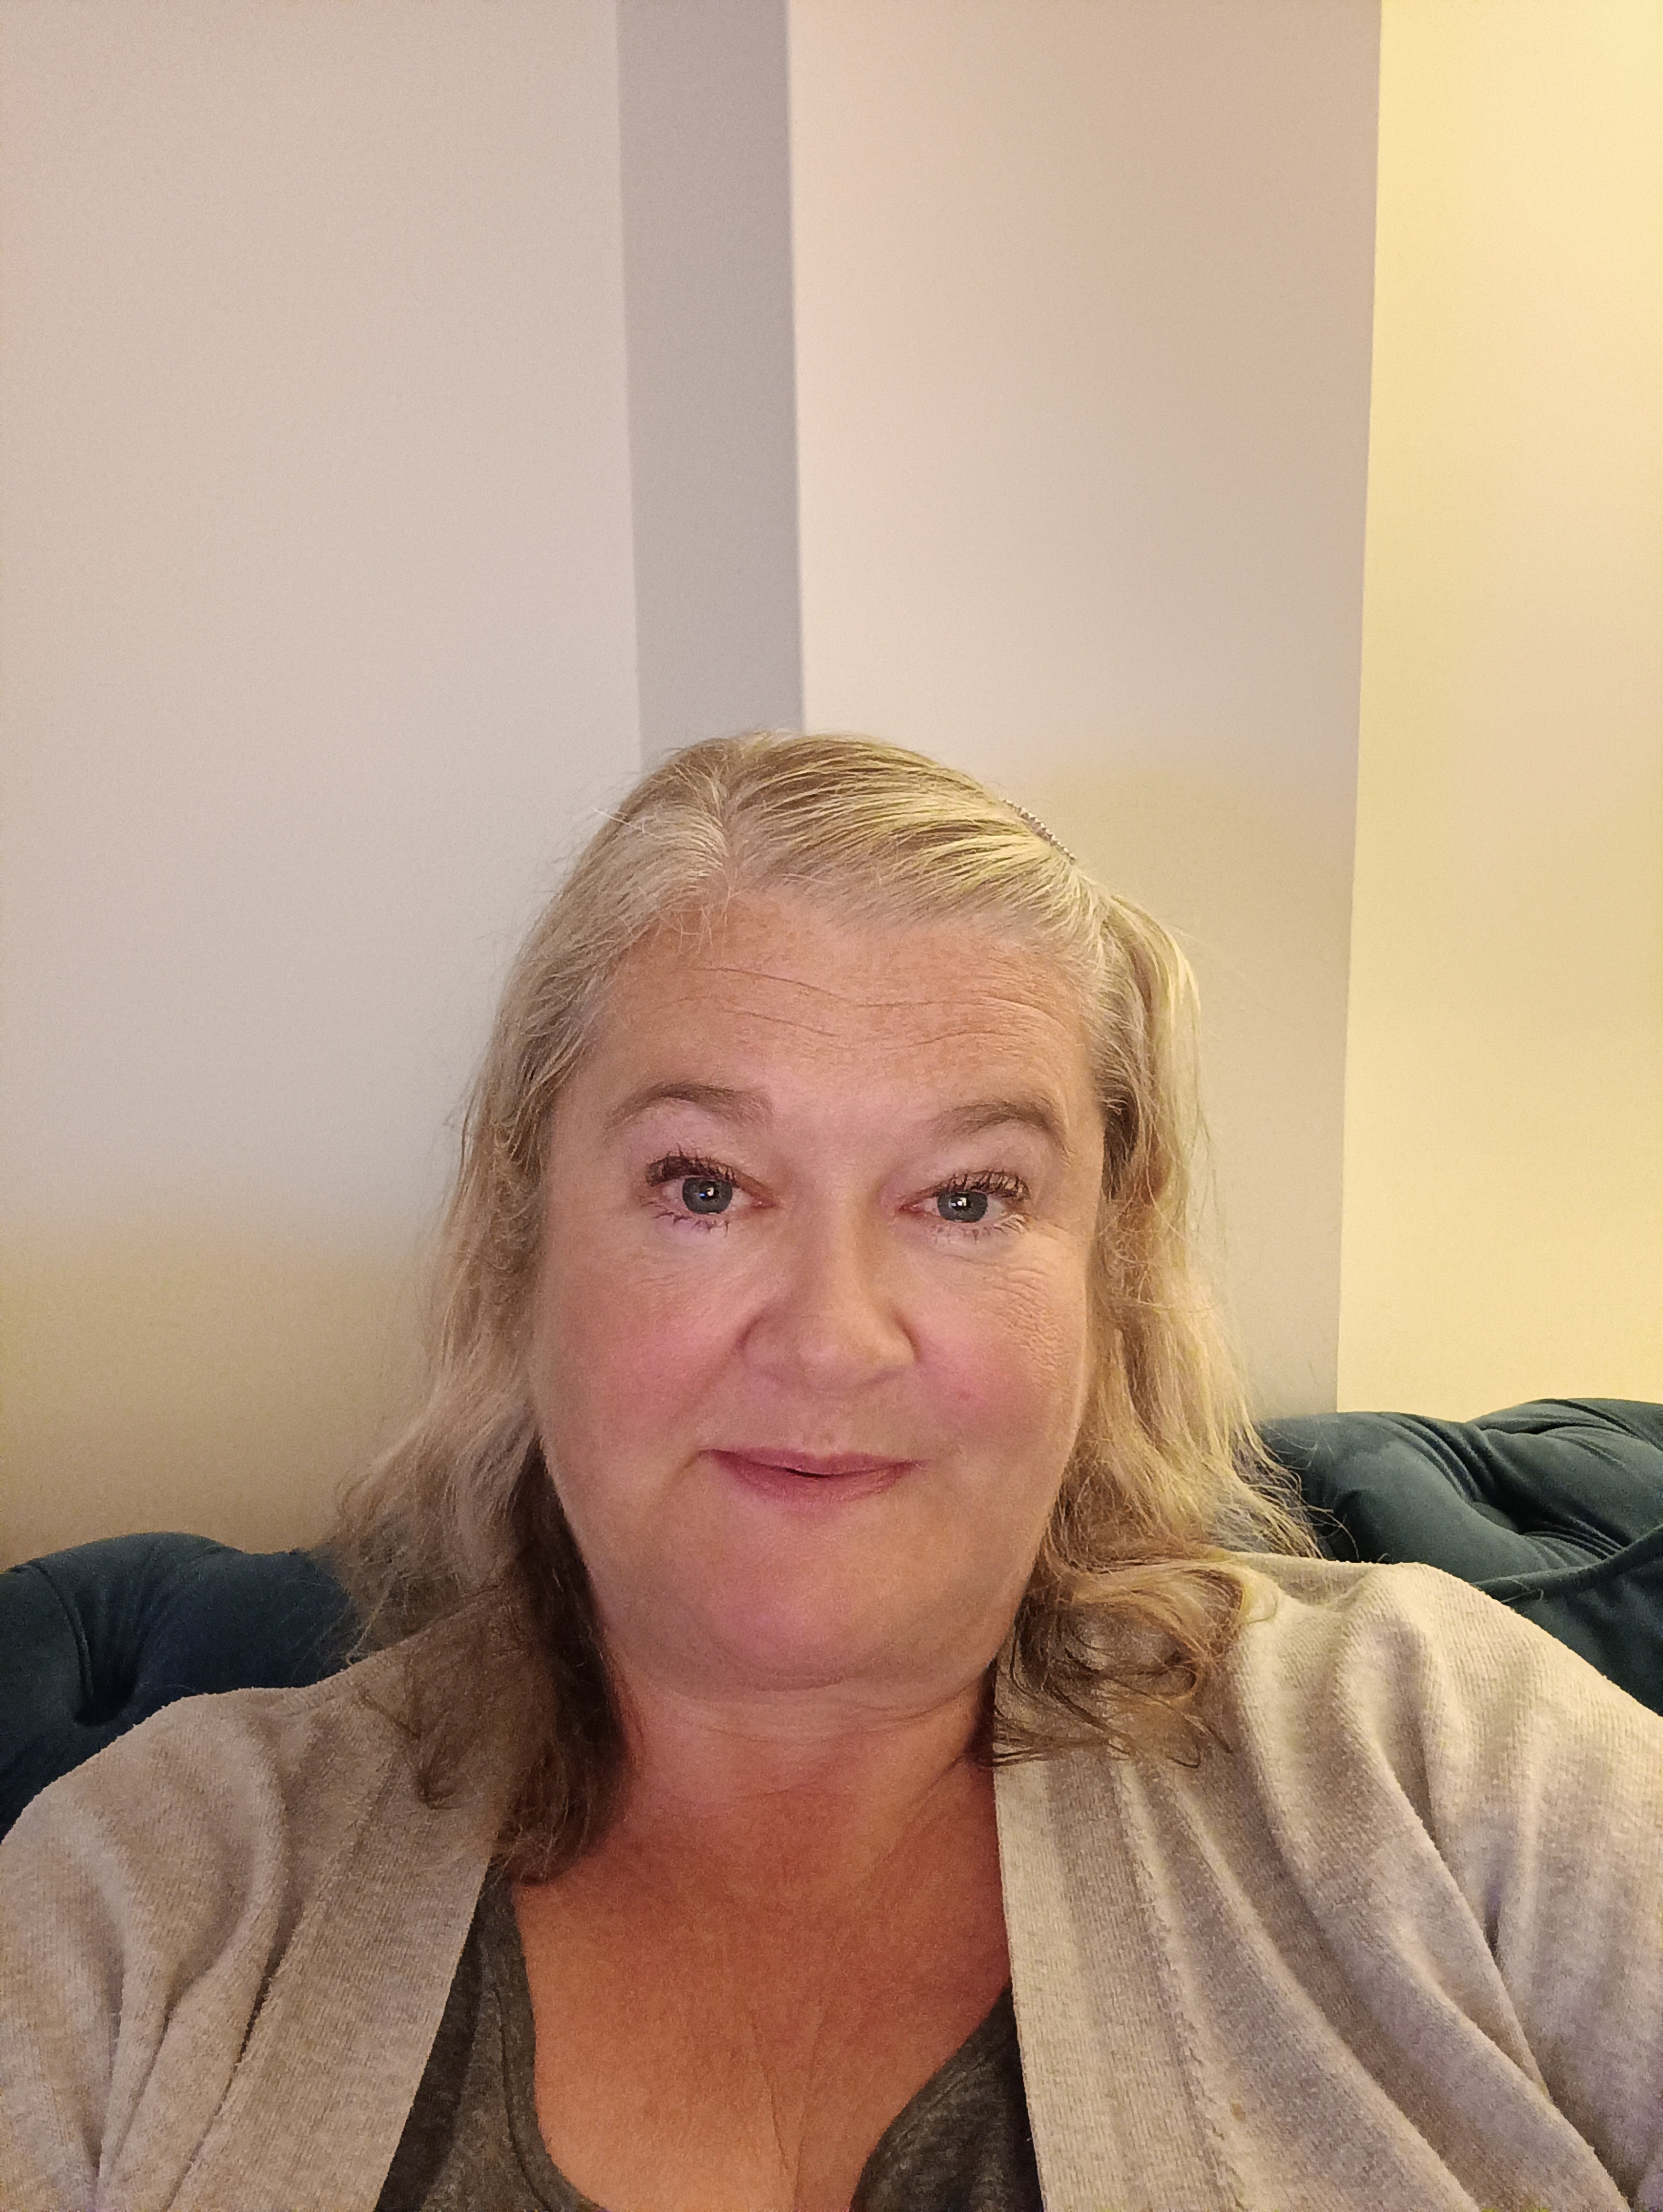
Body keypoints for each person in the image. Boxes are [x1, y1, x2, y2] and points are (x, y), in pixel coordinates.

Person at [2, 729, 1661, 2212]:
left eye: (968, 1199)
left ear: (1107, 1277)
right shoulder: (146, 1898)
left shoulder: (1456, 1762)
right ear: (525, 1238)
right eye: (706, 1186)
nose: (830, 1340)